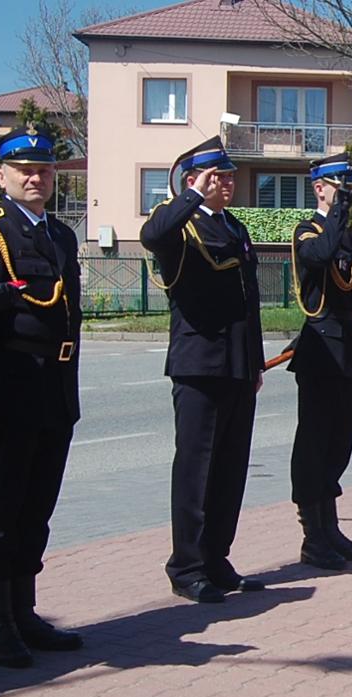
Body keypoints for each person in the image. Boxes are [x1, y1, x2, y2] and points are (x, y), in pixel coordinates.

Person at [0, 126, 85, 668]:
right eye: (25, 170)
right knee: (0, 508)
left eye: (44, 170)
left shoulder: (60, 236)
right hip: (8, 393)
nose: (36, 178)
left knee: (36, 506)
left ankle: (25, 610)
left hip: (52, 391)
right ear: (0, 175)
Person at [139, 137, 270, 602]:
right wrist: (191, 194)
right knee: (196, 469)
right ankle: (187, 566)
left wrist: (254, 361)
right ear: (193, 179)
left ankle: (216, 557)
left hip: (237, 364)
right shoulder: (181, 224)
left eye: (229, 176)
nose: (226, 183)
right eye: (216, 176)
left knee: (230, 469)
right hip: (199, 365)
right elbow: (152, 236)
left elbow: (249, 302)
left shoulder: (233, 226)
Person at [286, 154, 352, 569]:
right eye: (339, 185)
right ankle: (313, 536)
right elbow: (319, 257)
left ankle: (331, 527)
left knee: (339, 444)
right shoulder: (308, 230)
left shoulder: (351, 235)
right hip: (321, 352)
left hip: (351, 350)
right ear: (319, 188)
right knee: (314, 444)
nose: (346, 193)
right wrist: (337, 212)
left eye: (348, 186)